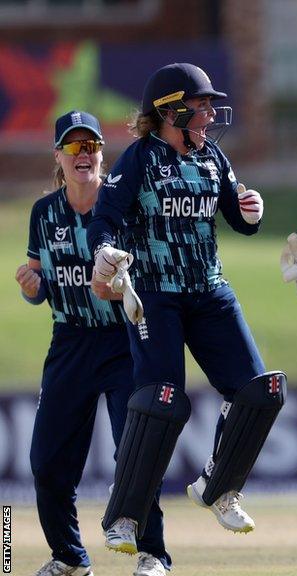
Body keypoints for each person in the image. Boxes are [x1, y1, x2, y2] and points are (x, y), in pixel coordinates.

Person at [87, 63, 287, 555]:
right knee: (162, 400)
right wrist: (106, 252)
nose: (209, 114)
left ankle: (218, 485)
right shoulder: (139, 159)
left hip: (209, 290)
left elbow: (235, 217)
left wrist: (250, 214)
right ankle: (125, 516)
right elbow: (105, 218)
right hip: (155, 294)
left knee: (262, 391)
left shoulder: (213, 156)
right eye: (199, 107)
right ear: (170, 111)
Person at [19, 111, 170, 576]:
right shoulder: (44, 213)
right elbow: (43, 281)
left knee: (134, 450)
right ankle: (68, 556)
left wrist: (124, 288)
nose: (83, 155)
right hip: (70, 341)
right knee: (47, 460)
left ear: (103, 154)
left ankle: (152, 553)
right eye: (73, 147)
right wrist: (32, 287)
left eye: (91, 146)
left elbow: (152, 269)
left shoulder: (122, 202)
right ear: (58, 157)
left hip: (124, 338)